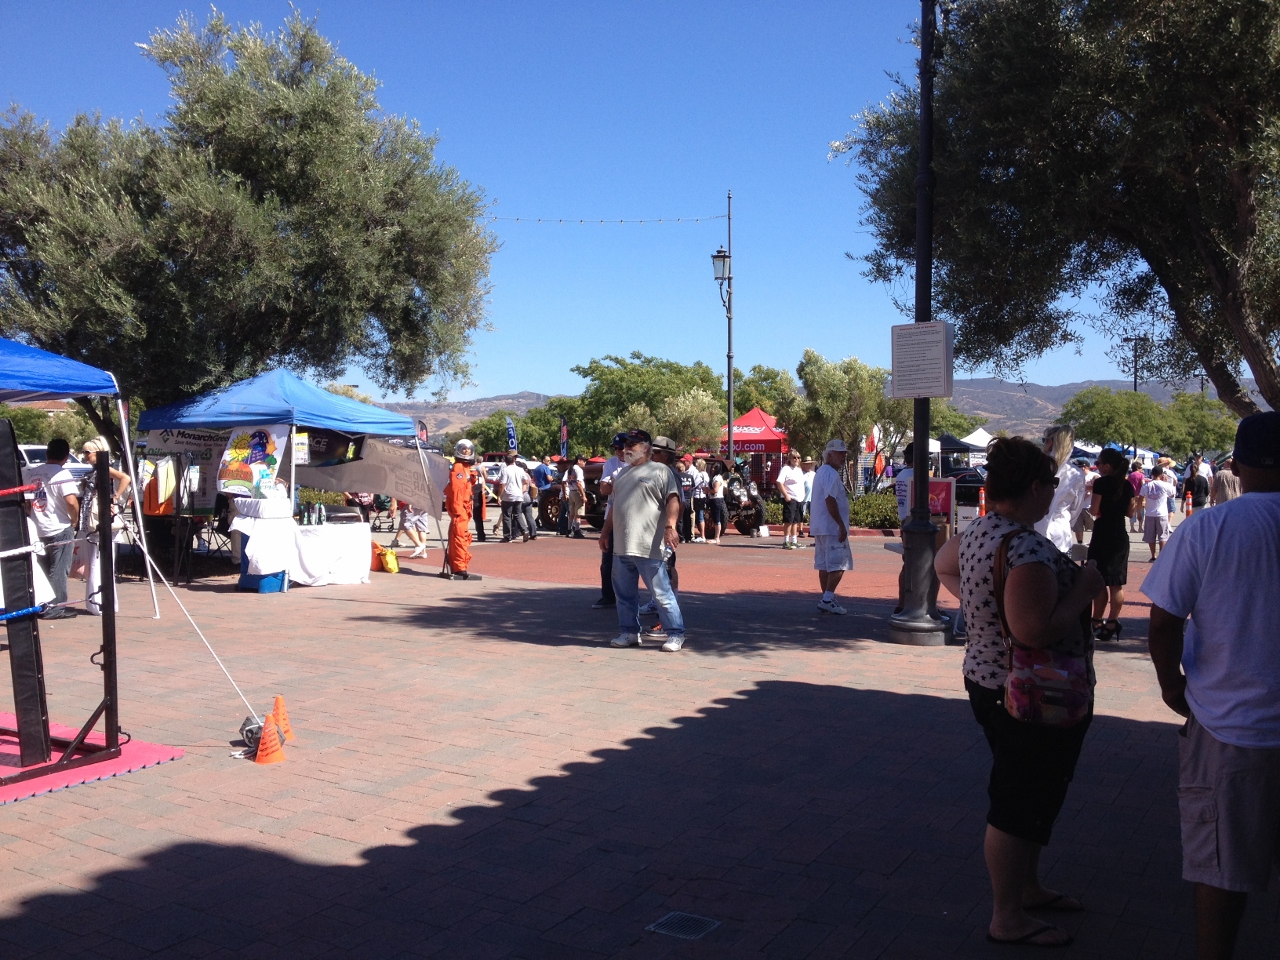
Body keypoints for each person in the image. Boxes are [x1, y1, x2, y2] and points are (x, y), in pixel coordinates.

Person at [934, 437, 1104, 949]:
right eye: (1052, 484)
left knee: (1029, 792)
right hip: (1029, 691)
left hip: (987, 678)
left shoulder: (981, 530)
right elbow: (1034, 631)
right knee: (1018, 798)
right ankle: (1007, 915)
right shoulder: (1026, 547)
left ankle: (1026, 889)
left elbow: (944, 566)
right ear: (1034, 487)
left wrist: (983, 608)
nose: (1055, 492)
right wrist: (1084, 589)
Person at [1141, 411, 1280, 960]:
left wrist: (1172, 687)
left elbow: (1162, 623)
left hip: (1227, 726)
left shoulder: (1208, 527)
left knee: (1221, 867)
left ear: (1238, 465)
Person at [599, 429, 686, 652]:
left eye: (633, 444)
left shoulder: (661, 471)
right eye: (626, 444)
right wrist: (605, 532)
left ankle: (675, 634)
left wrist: (670, 527)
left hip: (650, 547)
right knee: (625, 596)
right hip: (622, 547)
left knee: (661, 594)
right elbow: (614, 506)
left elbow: (674, 500)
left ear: (646, 448)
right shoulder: (622, 474)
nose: (627, 448)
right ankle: (629, 632)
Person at [22, 437, 80, 619]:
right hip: (59, 526)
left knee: (41, 569)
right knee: (59, 569)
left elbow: (26, 501)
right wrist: (74, 520)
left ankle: (39, 604)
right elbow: (71, 501)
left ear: (47, 453)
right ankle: (55, 608)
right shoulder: (63, 474)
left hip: (37, 526)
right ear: (66, 457)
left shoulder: (31, 473)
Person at [1087, 448, 1135, 642]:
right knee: (1116, 582)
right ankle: (1113, 621)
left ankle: (1096, 619)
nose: (1097, 467)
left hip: (1102, 532)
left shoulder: (1100, 483)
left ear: (1107, 466)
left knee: (1098, 580)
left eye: (1098, 463)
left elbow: (1094, 510)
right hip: (1119, 534)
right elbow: (1130, 513)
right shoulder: (1127, 485)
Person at [79, 437, 131, 617]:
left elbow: (125, 477)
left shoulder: (104, 468)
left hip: (99, 520)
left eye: (88, 452)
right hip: (92, 520)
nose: (85, 456)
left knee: (97, 561)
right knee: (95, 561)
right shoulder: (95, 470)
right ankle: (100, 602)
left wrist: (115, 497)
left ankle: (99, 602)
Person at [640, 437, 685, 642]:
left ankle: (666, 623)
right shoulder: (660, 472)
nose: (652, 456)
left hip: (667, 530)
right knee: (663, 570)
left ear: (666, 455)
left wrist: (671, 527)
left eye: (656, 453)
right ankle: (658, 606)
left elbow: (679, 503)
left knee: (664, 571)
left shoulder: (670, 474)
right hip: (658, 530)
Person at [811, 439, 852, 615]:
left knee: (824, 565)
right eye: (839, 453)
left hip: (821, 527)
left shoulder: (821, 471)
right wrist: (841, 525)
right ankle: (827, 598)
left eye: (844, 453)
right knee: (839, 564)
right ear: (829, 455)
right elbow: (830, 499)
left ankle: (826, 598)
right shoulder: (831, 474)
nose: (843, 456)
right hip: (831, 528)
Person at [1033, 426, 1087, 554]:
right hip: (1060, 534)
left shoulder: (1036, 468)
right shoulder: (1076, 474)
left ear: (1050, 442)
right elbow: (1076, 508)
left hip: (1035, 531)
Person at [591, 437, 627, 608]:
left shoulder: (637, 463)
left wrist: (614, 482)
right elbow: (604, 489)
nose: (619, 451)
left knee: (634, 562)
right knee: (608, 559)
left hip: (633, 519)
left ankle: (630, 598)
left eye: (622, 448)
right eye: (616, 448)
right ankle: (608, 595)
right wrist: (615, 483)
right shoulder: (611, 463)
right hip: (613, 517)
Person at [443, 440, 477, 577]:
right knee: (459, 537)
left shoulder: (466, 467)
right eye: (464, 450)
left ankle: (458, 564)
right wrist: (458, 511)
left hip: (465, 508)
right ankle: (458, 567)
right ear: (458, 450)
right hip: (460, 509)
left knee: (461, 537)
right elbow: (457, 490)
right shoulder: (458, 468)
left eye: (468, 450)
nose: (467, 452)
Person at [1140, 465, 1178, 560]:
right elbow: (1172, 494)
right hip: (1162, 513)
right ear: (1161, 474)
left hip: (1149, 513)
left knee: (1150, 536)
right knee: (1163, 536)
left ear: (1152, 474)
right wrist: (1165, 482)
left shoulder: (1146, 485)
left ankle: (1153, 555)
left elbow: (1141, 499)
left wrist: (1140, 512)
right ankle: (1162, 556)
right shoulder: (1165, 485)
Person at [497, 452, 531, 542]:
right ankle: (525, 530)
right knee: (518, 515)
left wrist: (499, 496)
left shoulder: (506, 470)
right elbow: (526, 481)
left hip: (508, 495)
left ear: (505, 462)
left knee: (507, 516)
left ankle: (507, 536)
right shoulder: (520, 469)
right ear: (513, 460)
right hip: (518, 495)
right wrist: (522, 489)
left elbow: (502, 484)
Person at [776, 451, 806, 549]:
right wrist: (786, 495)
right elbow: (779, 482)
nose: (796, 459)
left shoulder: (799, 470)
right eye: (794, 457)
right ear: (790, 459)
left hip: (799, 498)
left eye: (798, 457)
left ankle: (794, 540)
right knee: (789, 520)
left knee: (796, 520)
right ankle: (786, 541)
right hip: (790, 498)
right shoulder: (786, 469)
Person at [531, 456, 556, 531]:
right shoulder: (546, 468)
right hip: (546, 489)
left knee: (541, 506)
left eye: (550, 460)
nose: (549, 462)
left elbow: (534, 479)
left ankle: (538, 519)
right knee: (546, 507)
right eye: (548, 460)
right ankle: (541, 520)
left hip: (539, 488)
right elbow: (549, 478)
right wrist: (553, 478)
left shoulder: (536, 469)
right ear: (543, 461)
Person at [566, 453, 587, 539]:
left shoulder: (570, 469)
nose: (585, 462)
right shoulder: (579, 470)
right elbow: (579, 483)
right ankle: (577, 531)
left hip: (571, 491)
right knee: (578, 513)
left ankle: (569, 530)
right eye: (584, 460)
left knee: (572, 513)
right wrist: (583, 495)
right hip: (578, 492)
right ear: (579, 461)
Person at [705, 461, 727, 544]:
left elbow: (715, 490)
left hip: (717, 499)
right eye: (712, 467)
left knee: (717, 519)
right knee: (715, 518)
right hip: (713, 499)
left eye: (714, 468)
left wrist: (707, 490)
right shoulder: (714, 477)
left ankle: (717, 538)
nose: (712, 469)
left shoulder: (717, 478)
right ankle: (716, 537)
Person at [677, 455, 696, 542]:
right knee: (687, 518)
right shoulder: (690, 477)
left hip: (680, 499)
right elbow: (693, 486)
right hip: (688, 499)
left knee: (680, 519)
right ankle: (688, 537)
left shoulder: (677, 477)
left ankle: (682, 537)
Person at [691, 457, 709, 543]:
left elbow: (695, 485)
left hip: (698, 496)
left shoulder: (699, 474)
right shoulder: (706, 474)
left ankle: (702, 536)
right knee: (700, 515)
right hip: (703, 496)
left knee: (700, 515)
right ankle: (702, 535)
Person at [1127, 460, 1147, 532]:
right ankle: (1140, 527)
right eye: (1141, 467)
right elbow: (1143, 484)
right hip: (1140, 495)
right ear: (1138, 468)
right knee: (1141, 511)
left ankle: (1132, 528)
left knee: (1132, 511)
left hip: (1131, 496)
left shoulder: (1130, 475)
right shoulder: (1141, 475)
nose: (1142, 469)